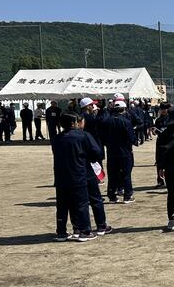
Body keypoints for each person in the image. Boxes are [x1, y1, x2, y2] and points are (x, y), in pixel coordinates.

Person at [52, 113, 102, 242]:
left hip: (61, 176)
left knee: (62, 205)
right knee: (81, 204)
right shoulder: (83, 135)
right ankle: (84, 231)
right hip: (78, 174)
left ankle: (61, 232)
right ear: (73, 123)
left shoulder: (57, 138)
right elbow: (97, 152)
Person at [105, 100, 137, 204]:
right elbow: (131, 137)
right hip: (125, 151)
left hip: (111, 151)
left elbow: (102, 136)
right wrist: (134, 141)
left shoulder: (107, 121)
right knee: (126, 174)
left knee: (112, 174)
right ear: (123, 109)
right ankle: (127, 195)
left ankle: (112, 196)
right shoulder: (126, 121)